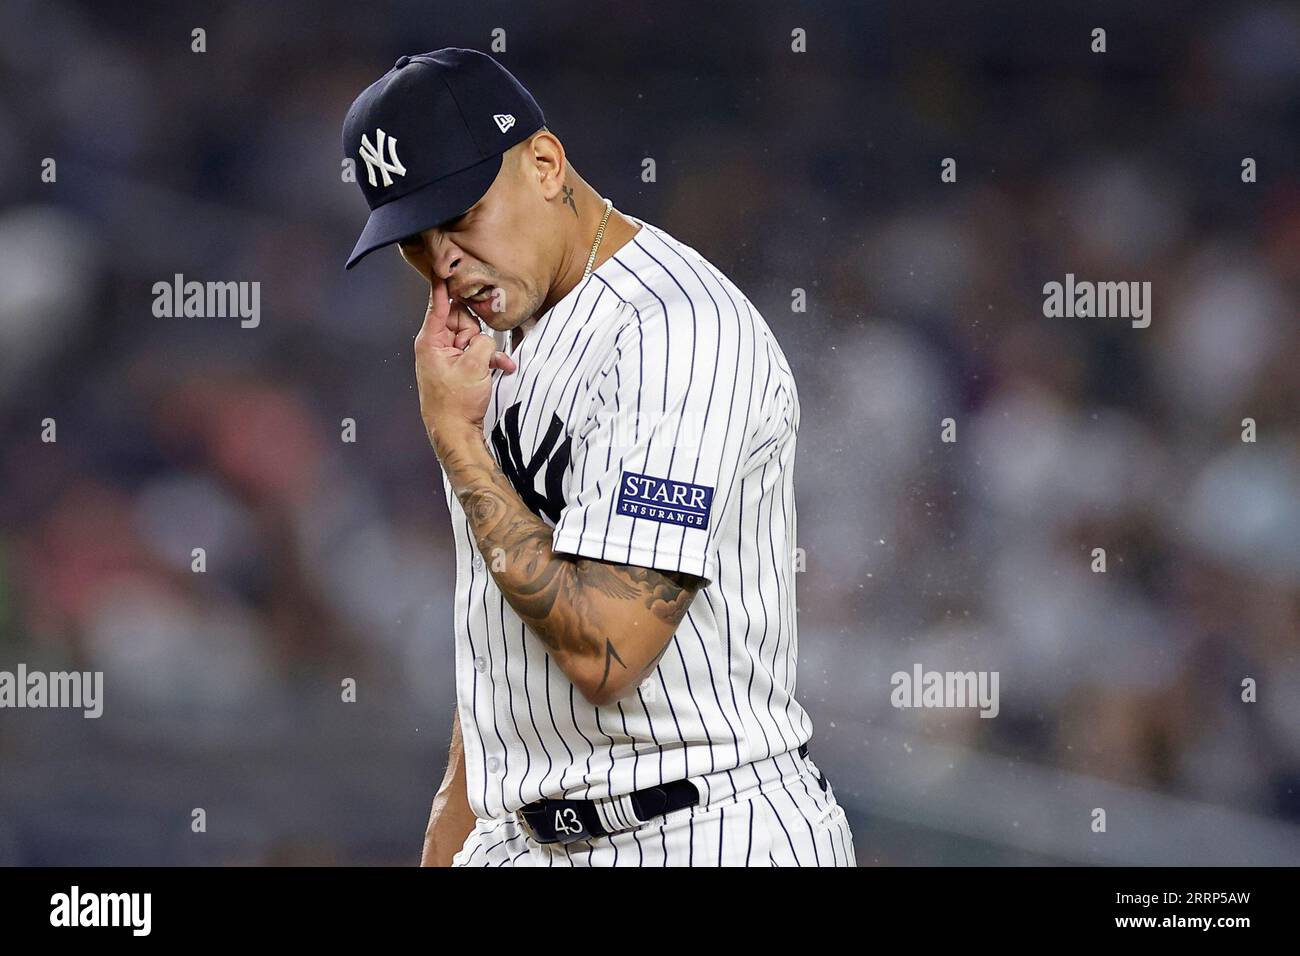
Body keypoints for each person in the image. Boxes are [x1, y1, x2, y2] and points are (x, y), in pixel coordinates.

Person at [342, 48, 855, 866]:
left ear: (544, 165)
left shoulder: (676, 333)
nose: (442, 260)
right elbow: (505, 625)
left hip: (700, 829)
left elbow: (608, 649)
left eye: (460, 216)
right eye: (414, 237)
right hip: (525, 836)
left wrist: (460, 446)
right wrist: (454, 824)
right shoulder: (498, 332)